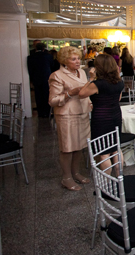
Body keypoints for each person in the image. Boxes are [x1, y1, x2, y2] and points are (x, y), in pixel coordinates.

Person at [48, 46, 91, 191]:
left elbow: (86, 92)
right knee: (67, 148)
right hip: (67, 115)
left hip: (82, 112)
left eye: (78, 58)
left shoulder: (82, 73)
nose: (78, 61)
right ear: (64, 61)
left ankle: (76, 172)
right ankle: (66, 178)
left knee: (79, 146)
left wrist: (90, 103)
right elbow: (52, 100)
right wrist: (69, 93)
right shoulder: (57, 75)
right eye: (73, 59)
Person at [79, 53, 125, 173]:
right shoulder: (119, 82)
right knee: (116, 148)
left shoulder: (97, 84)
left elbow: (81, 94)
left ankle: (107, 184)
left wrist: (91, 78)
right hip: (115, 115)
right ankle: (120, 177)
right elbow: (118, 98)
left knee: (104, 152)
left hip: (101, 118)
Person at [27, 42, 54, 118]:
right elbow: (52, 66)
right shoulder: (48, 56)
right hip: (46, 78)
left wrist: (32, 79)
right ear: (43, 48)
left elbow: (30, 70)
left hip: (36, 78)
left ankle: (40, 112)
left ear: (36, 48)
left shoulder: (31, 57)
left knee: (38, 95)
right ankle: (47, 112)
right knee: (47, 95)